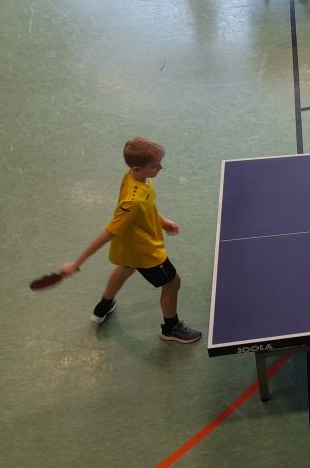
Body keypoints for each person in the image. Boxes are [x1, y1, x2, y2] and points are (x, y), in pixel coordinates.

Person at [59, 137, 203, 343]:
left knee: (125, 268)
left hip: (129, 245)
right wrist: (77, 262)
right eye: (155, 165)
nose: (161, 167)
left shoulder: (136, 178)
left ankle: (104, 305)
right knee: (172, 282)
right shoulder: (131, 201)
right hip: (144, 251)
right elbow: (108, 233)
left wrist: (163, 222)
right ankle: (171, 328)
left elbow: (147, 207)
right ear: (137, 167)